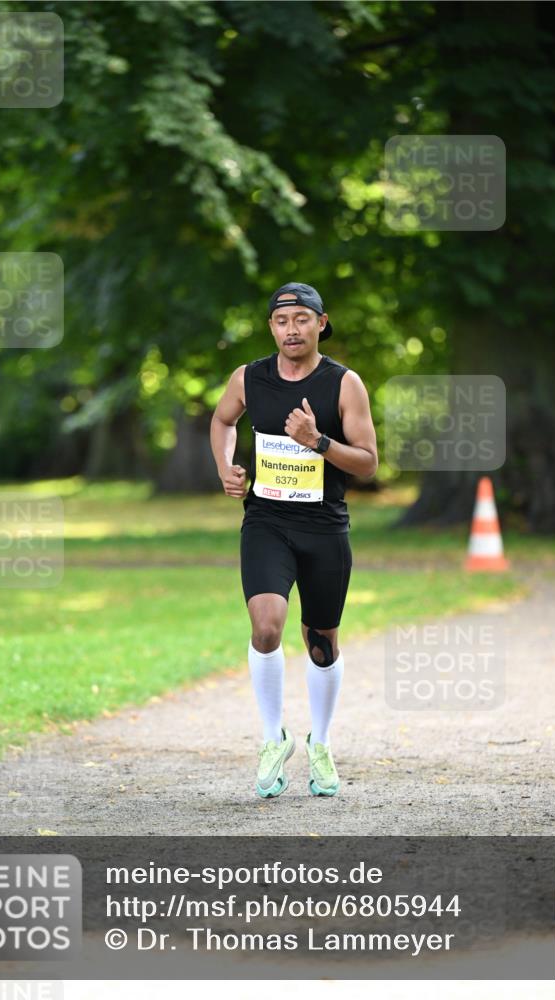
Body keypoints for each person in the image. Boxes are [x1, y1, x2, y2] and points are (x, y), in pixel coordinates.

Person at [210, 282, 378, 798]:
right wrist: (226, 469)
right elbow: (222, 421)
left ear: (321, 323)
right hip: (266, 522)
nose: (292, 329)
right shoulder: (249, 378)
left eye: (302, 319)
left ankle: (321, 745)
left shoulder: (344, 384)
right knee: (266, 627)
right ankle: (271, 739)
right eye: (282, 321)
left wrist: (319, 441)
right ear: (271, 328)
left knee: (321, 643)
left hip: (325, 528)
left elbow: (369, 463)